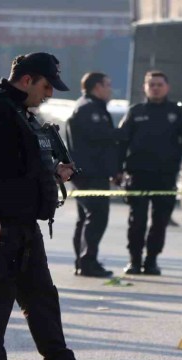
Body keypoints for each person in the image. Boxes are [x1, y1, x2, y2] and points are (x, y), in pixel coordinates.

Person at [0, 53, 113, 360]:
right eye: (46, 85)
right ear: (26, 80)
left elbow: (14, 163)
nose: (49, 94)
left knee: (41, 295)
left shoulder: (20, 112)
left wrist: (53, 171)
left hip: (20, 218)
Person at [118, 71, 182, 275]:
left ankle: (151, 260)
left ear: (167, 87)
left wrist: (174, 155)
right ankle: (134, 260)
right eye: (152, 84)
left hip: (165, 175)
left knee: (160, 221)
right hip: (138, 174)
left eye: (159, 84)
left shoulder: (178, 112)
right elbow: (122, 141)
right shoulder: (135, 111)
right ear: (145, 88)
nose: (156, 88)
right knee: (136, 221)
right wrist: (118, 169)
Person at [67, 72, 121, 278]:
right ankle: (87, 262)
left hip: (89, 172)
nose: (110, 89)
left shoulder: (93, 106)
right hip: (89, 173)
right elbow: (101, 140)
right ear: (97, 87)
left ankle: (84, 261)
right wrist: (123, 133)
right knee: (96, 216)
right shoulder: (88, 109)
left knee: (86, 218)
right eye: (107, 85)